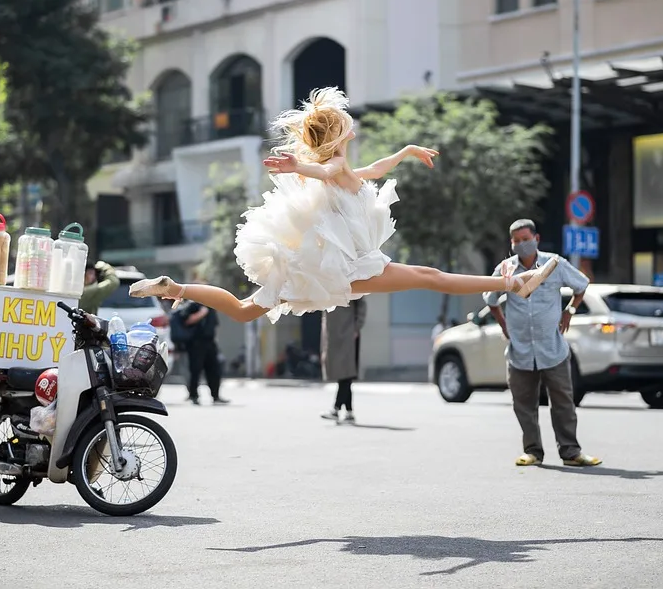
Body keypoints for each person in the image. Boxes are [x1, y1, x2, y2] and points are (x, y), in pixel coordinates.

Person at [128, 87, 558, 321]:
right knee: (431, 276)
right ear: (340, 135)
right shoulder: (332, 166)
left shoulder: (344, 170)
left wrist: (408, 150)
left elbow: (372, 170)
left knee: (243, 311)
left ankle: (177, 288)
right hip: (348, 268)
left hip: (318, 270)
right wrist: (302, 164)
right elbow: (329, 172)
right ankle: (512, 284)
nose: (354, 131)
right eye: (349, 128)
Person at [483, 219, 601, 468]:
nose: (521, 244)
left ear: (536, 238)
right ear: (511, 243)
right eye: (516, 241)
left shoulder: (554, 263)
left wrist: (569, 310)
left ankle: (571, 452)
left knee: (563, 403)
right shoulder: (506, 269)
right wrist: (503, 325)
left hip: (552, 349)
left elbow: (581, 285)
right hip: (520, 350)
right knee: (523, 404)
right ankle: (533, 451)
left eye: (525, 239)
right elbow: (491, 299)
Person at [320, 298, 367, 424]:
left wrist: (357, 327)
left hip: (348, 332)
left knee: (346, 371)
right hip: (334, 333)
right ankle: (349, 411)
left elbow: (361, 303)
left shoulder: (351, 280)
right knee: (344, 372)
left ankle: (336, 409)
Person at [175, 301, 229, 405]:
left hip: (210, 343)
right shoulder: (192, 305)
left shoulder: (211, 306)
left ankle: (216, 396)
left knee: (214, 371)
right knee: (195, 371)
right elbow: (187, 321)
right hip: (196, 344)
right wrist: (201, 313)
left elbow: (214, 326)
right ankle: (193, 395)